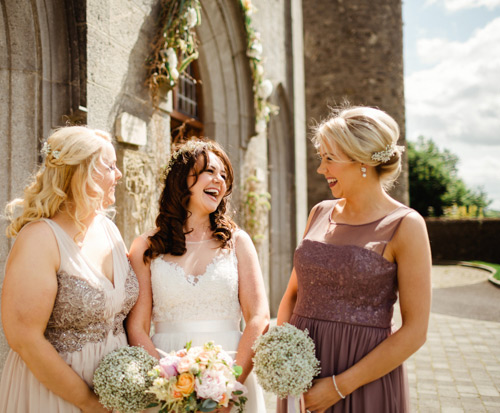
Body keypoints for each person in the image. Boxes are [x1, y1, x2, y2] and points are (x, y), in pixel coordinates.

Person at [277, 106, 431, 413]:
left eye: (329, 158)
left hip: (362, 380)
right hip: (300, 376)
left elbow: (415, 331)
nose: (321, 169)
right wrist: (282, 358)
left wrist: (339, 386)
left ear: (361, 161)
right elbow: (293, 294)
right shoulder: (319, 213)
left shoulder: (406, 225)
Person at [0, 126, 139, 412]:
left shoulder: (109, 229)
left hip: (117, 395)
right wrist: (88, 402)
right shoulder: (40, 238)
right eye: (111, 166)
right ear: (83, 172)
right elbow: (24, 338)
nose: (119, 174)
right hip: (56, 394)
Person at [126, 140, 270, 412]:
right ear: (182, 180)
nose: (220, 180)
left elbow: (258, 317)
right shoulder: (146, 246)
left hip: (232, 369)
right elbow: (137, 327)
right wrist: (167, 384)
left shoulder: (238, 242)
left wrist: (230, 386)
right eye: (210, 172)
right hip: (166, 375)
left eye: (224, 175)